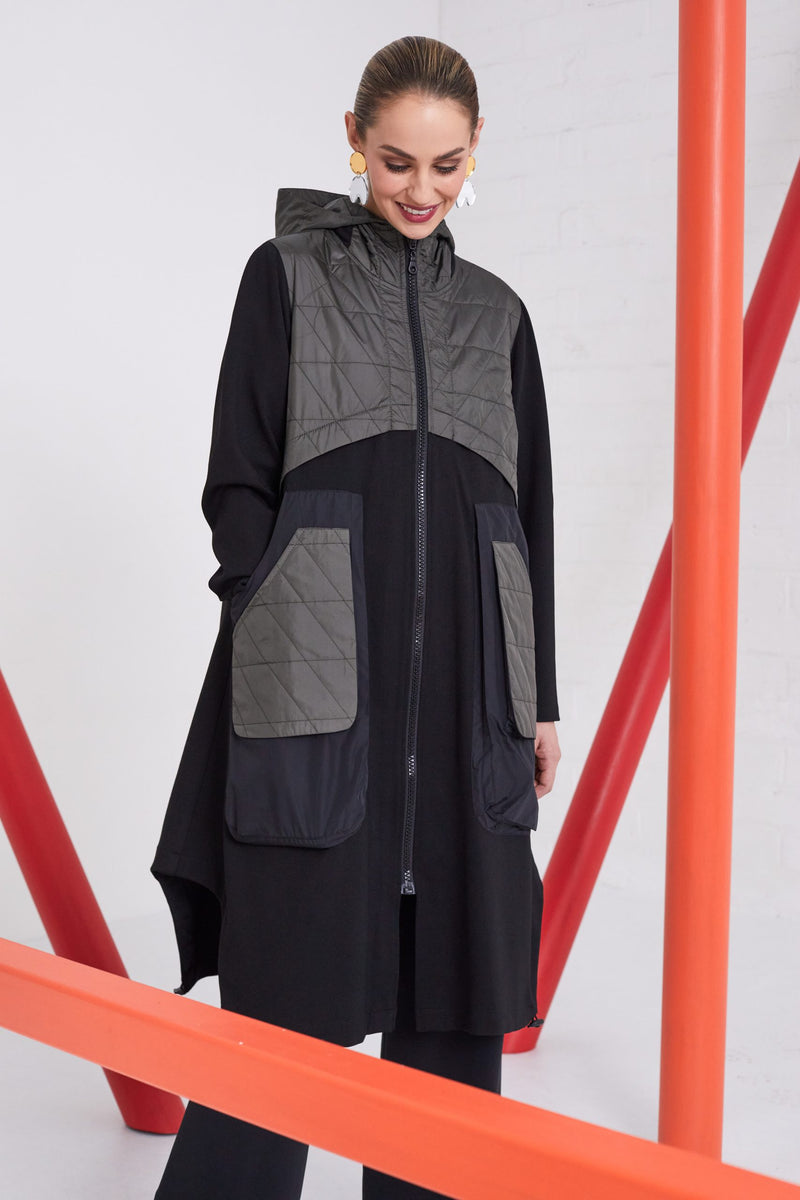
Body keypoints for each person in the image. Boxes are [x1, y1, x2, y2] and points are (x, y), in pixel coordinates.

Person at [151, 33, 561, 1199]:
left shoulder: (498, 315)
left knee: (452, 998)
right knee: (282, 1003)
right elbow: (236, 480)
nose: (420, 191)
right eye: (395, 163)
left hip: (470, 697)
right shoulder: (285, 277)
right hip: (315, 676)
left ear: (474, 152)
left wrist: (536, 697)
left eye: (445, 166)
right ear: (352, 141)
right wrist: (269, 604)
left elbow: (527, 520)